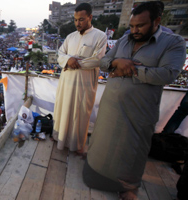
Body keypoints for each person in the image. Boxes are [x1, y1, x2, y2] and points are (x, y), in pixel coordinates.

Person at [83, 2, 186, 200]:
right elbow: (104, 62)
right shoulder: (124, 39)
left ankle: (128, 186)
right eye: (131, 26)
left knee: (132, 151)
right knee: (104, 143)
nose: (134, 30)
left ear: (156, 21)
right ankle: (97, 173)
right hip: (111, 106)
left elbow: (167, 74)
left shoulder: (174, 42)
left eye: (140, 26)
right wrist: (115, 63)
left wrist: (131, 70)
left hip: (140, 110)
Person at [52, 3, 107, 153]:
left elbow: (97, 60)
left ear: (90, 17)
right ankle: (59, 139)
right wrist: (69, 59)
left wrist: (74, 61)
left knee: (79, 115)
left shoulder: (100, 36)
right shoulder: (70, 37)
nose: (77, 23)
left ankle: (75, 145)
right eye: (75, 20)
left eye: (81, 19)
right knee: (63, 110)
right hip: (66, 83)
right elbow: (60, 55)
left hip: (84, 85)